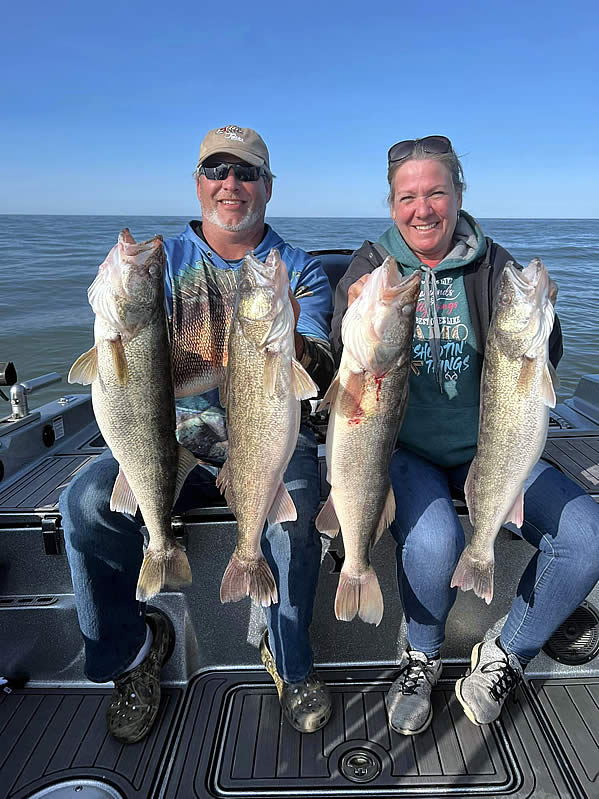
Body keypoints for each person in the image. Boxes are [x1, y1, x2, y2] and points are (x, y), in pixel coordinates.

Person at [61, 125, 334, 743]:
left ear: (268, 186)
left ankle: (290, 662)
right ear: (197, 182)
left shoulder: (300, 270)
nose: (230, 184)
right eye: (216, 170)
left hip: (267, 444)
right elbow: (123, 352)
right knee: (81, 503)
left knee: (295, 521)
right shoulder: (163, 263)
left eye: (245, 173)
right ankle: (133, 656)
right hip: (169, 442)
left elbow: (317, 366)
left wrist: (283, 333)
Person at [331, 135, 599, 735]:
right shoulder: (371, 265)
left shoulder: (493, 265)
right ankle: (421, 657)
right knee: (433, 542)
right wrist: (348, 312)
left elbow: (539, 359)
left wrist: (547, 320)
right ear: (391, 204)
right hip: (406, 453)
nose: (422, 209)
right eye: (407, 197)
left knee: (585, 535)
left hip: (495, 447)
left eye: (436, 193)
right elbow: (337, 345)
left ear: (458, 195)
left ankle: (504, 657)